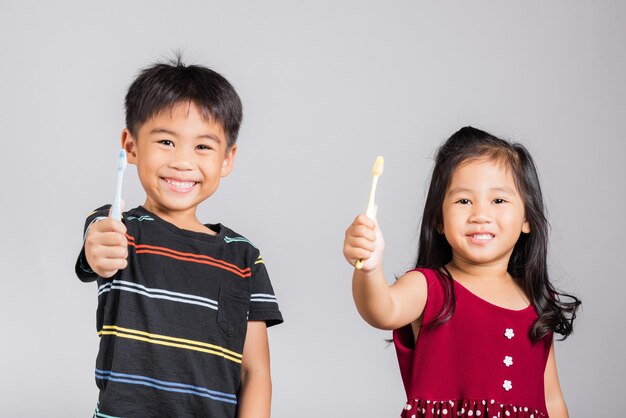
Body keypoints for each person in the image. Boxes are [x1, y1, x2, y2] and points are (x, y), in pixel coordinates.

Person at [75, 56, 283, 418]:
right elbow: (98, 240)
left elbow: (255, 371)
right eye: (167, 142)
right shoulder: (117, 227)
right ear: (131, 146)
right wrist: (98, 243)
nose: (183, 162)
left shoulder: (245, 258)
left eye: (203, 146)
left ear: (227, 159)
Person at [343, 127, 580, 418]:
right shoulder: (429, 287)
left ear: (527, 218)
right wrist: (370, 268)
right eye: (464, 201)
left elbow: (552, 399)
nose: (480, 214)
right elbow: (381, 309)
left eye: (498, 200)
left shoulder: (536, 301)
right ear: (439, 220)